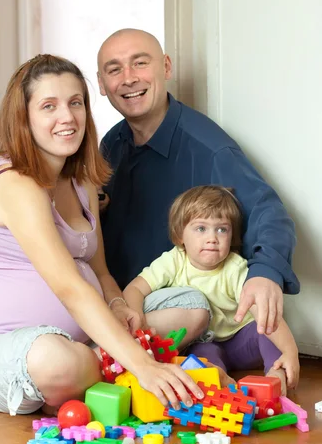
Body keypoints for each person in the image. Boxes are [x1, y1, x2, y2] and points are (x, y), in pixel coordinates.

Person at [0, 54, 204, 417]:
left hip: (84, 337)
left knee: (192, 306)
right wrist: (143, 365)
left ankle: (102, 363)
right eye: (49, 106)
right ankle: (116, 364)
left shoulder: (81, 180)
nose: (67, 117)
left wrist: (117, 305)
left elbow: (99, 272)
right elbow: (69, 287)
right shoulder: (15, 183)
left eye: (75, 103)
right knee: (55, 359)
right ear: (24, 118)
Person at [96, 29, 300, 337]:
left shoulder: (209, 149)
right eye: (115, 69)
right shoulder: (111, 144)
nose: (128, 78)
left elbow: (267, 210)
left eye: (140, 63)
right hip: (120, 300)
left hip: (184, 312)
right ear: (101, 84)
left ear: (166, 67)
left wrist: (265, 272)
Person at [123, 186, 300, 394]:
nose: (212, 238)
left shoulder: (234, 268)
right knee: (200, 357)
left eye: (222, 229)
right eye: (201, 229)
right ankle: (220, 379)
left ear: (232, 235)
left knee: (264, 331)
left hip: (239, 341)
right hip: (204, 343)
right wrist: (138, 324)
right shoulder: (174, 260)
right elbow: (134, 289)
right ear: (180, 235)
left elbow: (264, 312)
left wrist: (290, 351)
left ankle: (276, 376)